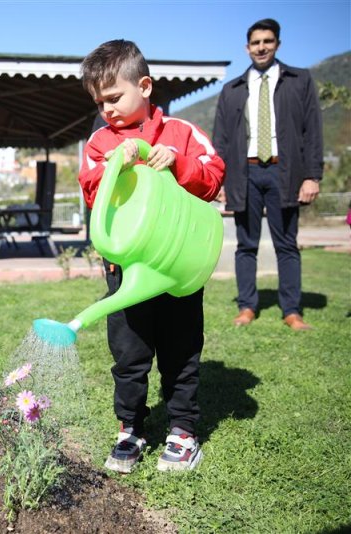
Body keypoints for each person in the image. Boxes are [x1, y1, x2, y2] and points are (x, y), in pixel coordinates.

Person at [78, 40, 225, 473]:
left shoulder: (181, 133)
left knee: (181, 350)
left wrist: (178, 164)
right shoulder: (100, 141)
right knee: (129, 352)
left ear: (144, 86)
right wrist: (114, 167)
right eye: (99, 102)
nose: (107, 109)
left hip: (177, 266)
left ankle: (182, 431)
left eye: (114, 97)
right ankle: (130, 428)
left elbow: (213, 178)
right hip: (126, 271)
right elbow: (91, 190)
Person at [213, 18, 323, 331]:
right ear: (247, 47)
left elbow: (312, 131)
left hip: (284, 172)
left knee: (286, 244)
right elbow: (220, 139)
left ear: (277, 44)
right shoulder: (231, 90)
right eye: (256, 42)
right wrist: (220, 180)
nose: (262, 47)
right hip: (243, 173)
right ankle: (247, 306)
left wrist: (312, 175)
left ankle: (292, 311)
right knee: (245, 245)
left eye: (268, 41)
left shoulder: (299, 81)